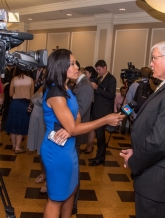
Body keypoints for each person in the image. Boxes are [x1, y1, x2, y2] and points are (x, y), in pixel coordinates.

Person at [40, 49, 125, 218]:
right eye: (72, 64)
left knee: (71, 190)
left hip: (68, 147)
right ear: (60, 67)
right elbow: (74, 128)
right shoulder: (56, 93)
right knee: (57, 198)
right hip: (56, 150)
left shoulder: (66, 89)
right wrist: (105, 120)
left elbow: (77, 116)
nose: (77, 67)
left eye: (76, 62)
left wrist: (69, 127)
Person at [120, 41, 165, 218]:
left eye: (154, 58)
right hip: (155, 173)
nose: (151, 63)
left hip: (158, 183)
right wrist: (138, 149)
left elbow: (160, 142)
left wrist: (135, 160)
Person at [72, 61, 93, 215]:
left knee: (74, 171)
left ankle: (73, 203)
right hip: (72, 132)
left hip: (76, 131)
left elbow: (79, 111)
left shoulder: (85, 86)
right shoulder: (79, 84)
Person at [88, 60, 116, 166]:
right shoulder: (100, 78)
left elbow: (111, 95)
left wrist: (97, 88)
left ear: (105, 67)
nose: (98, 72)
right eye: (97, 70)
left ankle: (100, 158)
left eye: (99, 69)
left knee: (101, 136)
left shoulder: (111, 79)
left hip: (103, 112)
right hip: (97, 110)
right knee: (98, 137)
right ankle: (98, 156)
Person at [6, 66, 34, 154]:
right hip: (24, 104)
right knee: (21, 125)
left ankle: (14, 145)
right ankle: (18, 147)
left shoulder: (14, 79)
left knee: (13, 125)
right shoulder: (30, 80)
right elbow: (32, 95)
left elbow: (10, 94)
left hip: (15, 103)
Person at [82, 66, 98, 153]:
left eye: (86, 73)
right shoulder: (89, 81)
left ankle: (90, 146)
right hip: (92, 105)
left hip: (93, 106)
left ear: (90, 73)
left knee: (92, 127)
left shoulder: (92, 82)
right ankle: (89, 145)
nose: (84, 74)